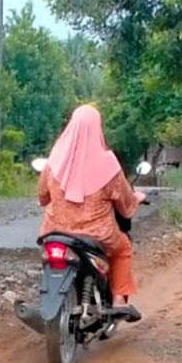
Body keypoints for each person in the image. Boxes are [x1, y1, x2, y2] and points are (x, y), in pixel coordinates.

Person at [38, 104, 147, 320]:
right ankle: (118, 301)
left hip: (55, 232)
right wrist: (138, 198)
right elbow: (125, 207)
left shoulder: (54, 161)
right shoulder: (108, 164)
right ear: (98, 129)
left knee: (48, 259)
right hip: (98, 236)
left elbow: (43, 197)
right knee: (123, 247)